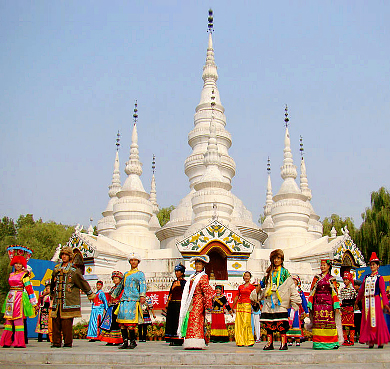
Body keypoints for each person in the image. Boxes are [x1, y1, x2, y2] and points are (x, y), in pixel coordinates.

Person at [50, 246, 95, 348]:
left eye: (66, 255)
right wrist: (52, 293)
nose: (64, 256)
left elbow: (82, 282)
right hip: (58, 301)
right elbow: (52, 282)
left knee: (66, 324)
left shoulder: (73, 271)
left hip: (68, 301)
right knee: (56, 322)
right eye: (63, 255)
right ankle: (56, 342)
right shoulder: (56, 269)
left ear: (70, 256)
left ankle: (67, 342)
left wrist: (89, 293)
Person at [258, 249, 301, 350]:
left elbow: (290, 286)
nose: (276, 260)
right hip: (269, 300)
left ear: (282, 260)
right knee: (269, 323)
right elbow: (263, 284)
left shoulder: (285, 272)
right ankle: (270, 343)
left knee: (281, 322)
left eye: (278, 258)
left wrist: (295, 299)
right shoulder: (269, 272)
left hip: (280, 299)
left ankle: (283, 343)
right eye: (274, 258)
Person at [0, 245, 38, 348]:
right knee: (8, 320)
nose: (17, 265)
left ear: (23, 265)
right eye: (16, 263)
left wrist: (34, 303)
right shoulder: (11, 274)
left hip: (19, 297)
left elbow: (29, 289)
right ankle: (6, 341)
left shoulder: (25, 275)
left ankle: (19, 342)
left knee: (18, 320)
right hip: (10, 297)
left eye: (20, 264)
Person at [178, 255, 214, 349]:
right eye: (196, 264)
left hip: (199, 300)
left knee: (196, 319)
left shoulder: (204, 276)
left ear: (203, 266)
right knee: (190, 318)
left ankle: (197, 341)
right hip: (191, 300)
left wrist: (208, 303)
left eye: (199, 264)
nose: (197, 266)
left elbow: (206, 290)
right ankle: (190, 341)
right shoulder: (192, 276)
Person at [355, 252, 390, 348]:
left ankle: (379, 341)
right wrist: (357, 299)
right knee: (368, 321)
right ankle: (370, 340)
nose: (372, 266)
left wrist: (386, 304)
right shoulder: (366, 277)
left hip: (376, 300)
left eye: (374, 264)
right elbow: (362, 290)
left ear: (378, 266)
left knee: (377, 320)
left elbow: (383, 292)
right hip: (367, 302)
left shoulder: (380, 278)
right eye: (371, 265)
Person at [112, 252, 146, 349]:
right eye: (132, 260)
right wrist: (114, 294)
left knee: (130, 322)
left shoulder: (140, 274)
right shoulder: (126, 274)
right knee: (122, 322)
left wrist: (142, 295)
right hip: (124, 299)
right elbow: (121, 285)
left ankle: (133, 341)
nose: (133, 262)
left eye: (135, 260)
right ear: (129, 262)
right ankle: (125, 341)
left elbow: (143, 285)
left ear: (138, 262)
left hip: (133, 300)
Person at [307, 259, 343, 350]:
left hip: (328, 305)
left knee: (329, 324)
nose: (322, 267)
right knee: (318, 324)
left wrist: (336, 305)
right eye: (321, 265)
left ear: (328, 267)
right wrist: (310, 303)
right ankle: (318, 343)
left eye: (324, 265)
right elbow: (312, 291)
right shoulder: (316, 278)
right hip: (318, 305)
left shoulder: (332, 279)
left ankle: (331, 342)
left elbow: (334, 293)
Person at [99, 271, 124, 345]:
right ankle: (110, 339)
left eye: (116, 278)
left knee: (116, 324)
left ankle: (117, 340)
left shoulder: (121, 288)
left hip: (117, 307)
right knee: (109, 324)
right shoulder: (113, 288)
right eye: (114, 278)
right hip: (111, 308)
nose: (115, 280)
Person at [164, 263, 186, 346]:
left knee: (178, 321)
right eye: (176, 271)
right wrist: (167, 302)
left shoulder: (184, 283)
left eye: (178, 271)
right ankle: (171, 338)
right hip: (172, 303)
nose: (177, 273)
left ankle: (178, 339)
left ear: (182, 273)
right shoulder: (174, 282)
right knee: (171, 321)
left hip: (179, 304)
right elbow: (170, 293)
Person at [232, 271, 256, 347]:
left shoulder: (252, 287)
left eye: (248, 276)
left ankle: (249, 340)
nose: (246, 277)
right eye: (245, 276)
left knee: (247, 322)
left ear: (250, 277)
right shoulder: (240, 287)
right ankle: (240, 341)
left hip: (247, 305)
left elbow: (255, 297)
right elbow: (236, 296)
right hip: (240, 305)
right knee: (239, 323)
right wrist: (233, 306)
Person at [286, 275, 308, 346]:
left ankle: (297, 339)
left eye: (295, 280)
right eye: (292, 280)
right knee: (289, 324)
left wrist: (306, 311)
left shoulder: (299, 291)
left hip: (297, 310)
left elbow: (304, 301)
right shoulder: (288, 291)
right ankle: (290, 339)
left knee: (296, 324)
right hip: (289, 309)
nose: (294, 282)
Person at [339, 271, 357, 346]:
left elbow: (354, 299)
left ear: (349, 280)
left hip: (350, 308)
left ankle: (351, 340)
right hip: (344, 308)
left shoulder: (353, 290)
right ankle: (345, 339)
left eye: (346, 280)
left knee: (351, 324)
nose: (345, 281)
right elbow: (341, 299)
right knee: (343, 324)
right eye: (344, 280)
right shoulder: (342, 290)